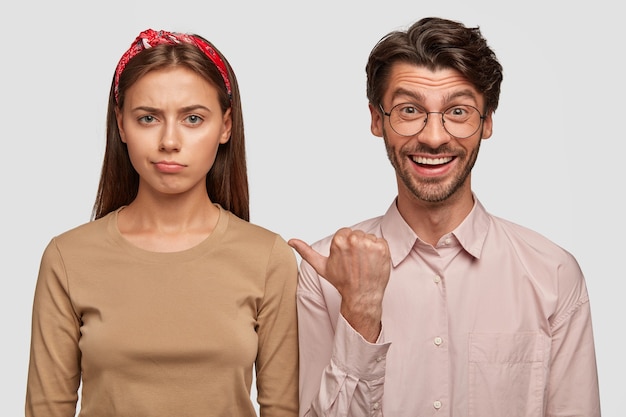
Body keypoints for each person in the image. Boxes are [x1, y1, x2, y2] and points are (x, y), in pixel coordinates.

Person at [288, 17, 601, 417]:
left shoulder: (553, 275)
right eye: (409, 110)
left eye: (457, 111)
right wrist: (360, 313)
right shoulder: (324, 275)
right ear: (376, 118)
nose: (434, 137)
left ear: (487, 121)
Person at [26, 29, 298, 417]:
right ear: (121, 125)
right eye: (148, 118)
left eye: (192, 118)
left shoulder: (269, 258)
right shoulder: (68, 258)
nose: (169, 140)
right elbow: (46, 409)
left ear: (225, 126)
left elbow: (283, 408)